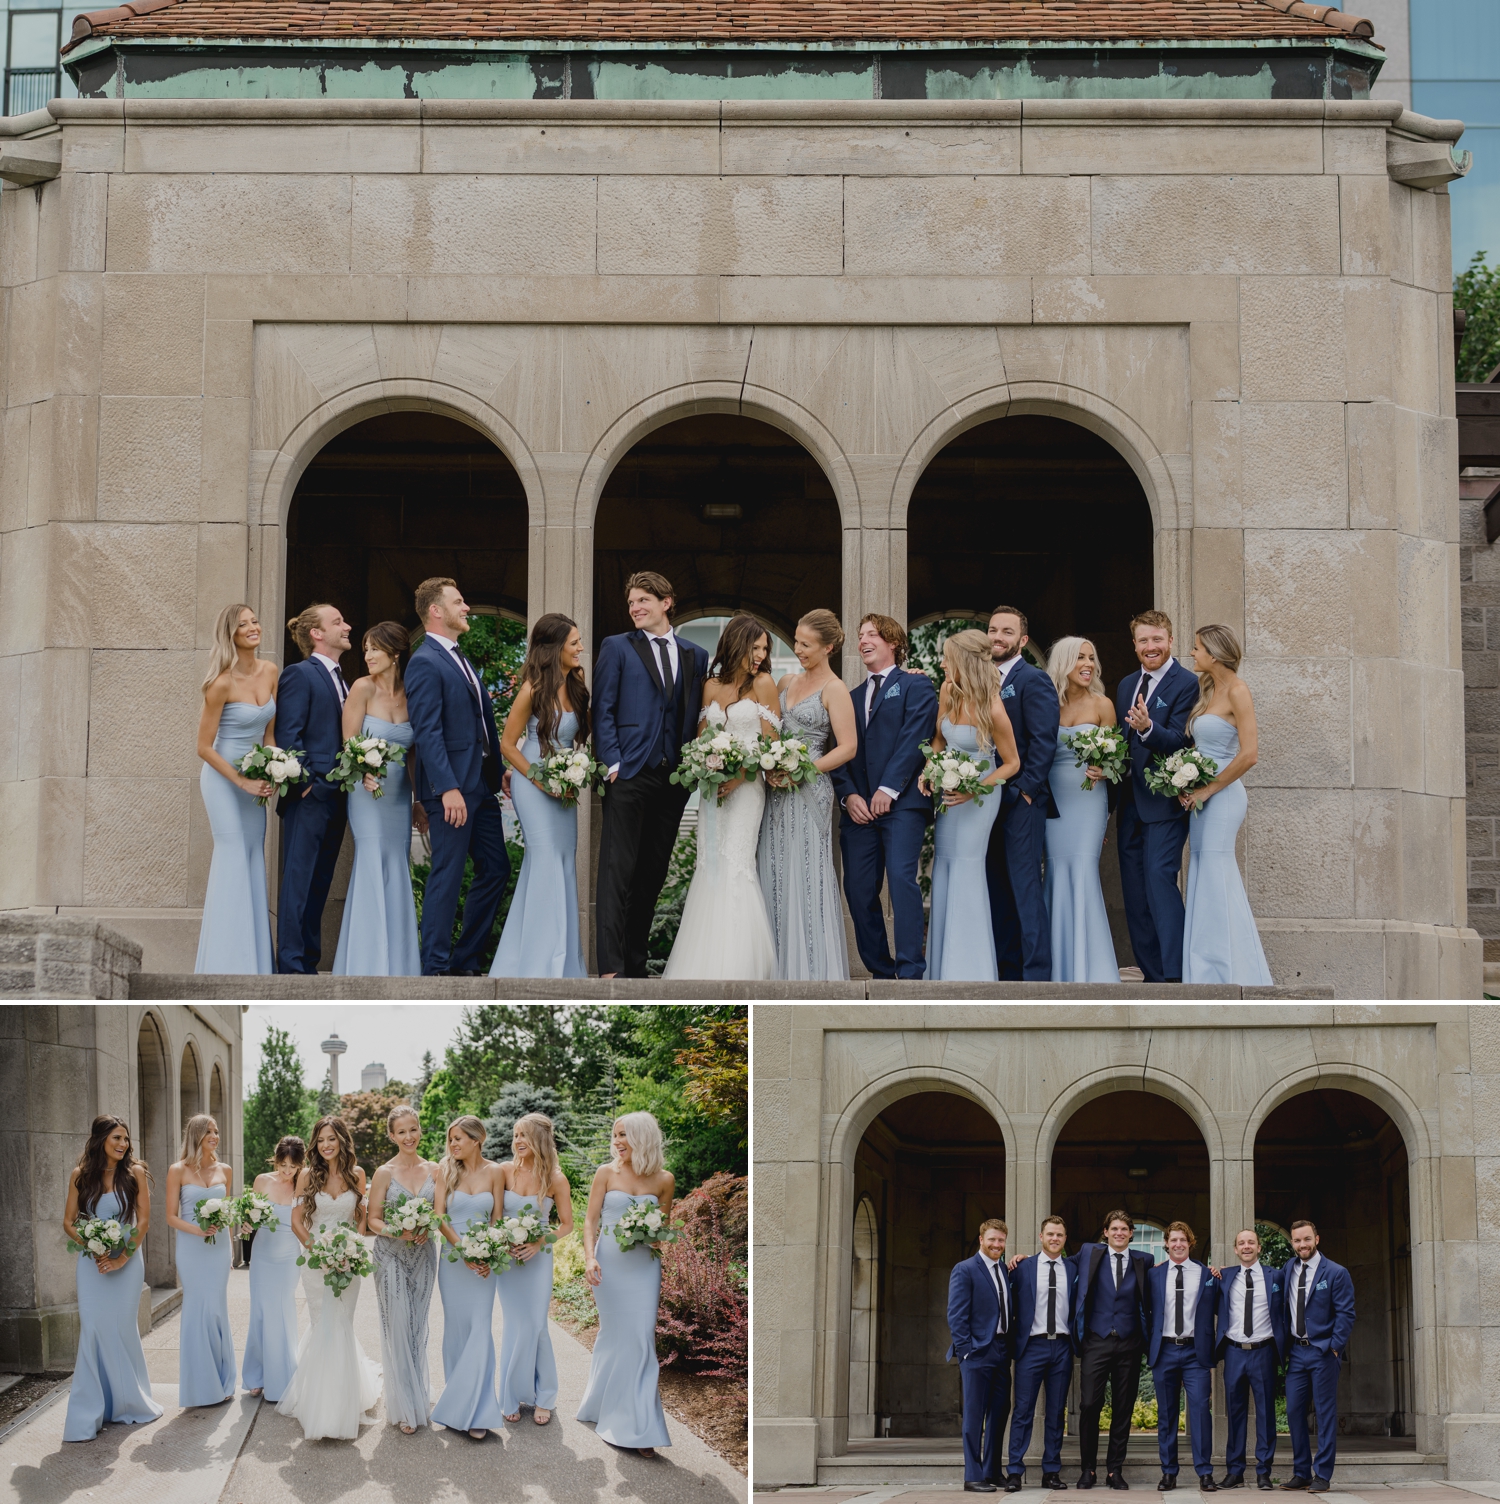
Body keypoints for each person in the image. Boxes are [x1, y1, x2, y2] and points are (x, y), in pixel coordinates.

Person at [592, 572, 710, 978]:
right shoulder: (617, 647)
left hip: (672, 779)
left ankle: (636, 966)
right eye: (631, 603)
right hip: (628, 774)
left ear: (666, 602)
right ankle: (611, 966)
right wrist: (613, 764)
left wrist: (691, 768)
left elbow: (694, 715)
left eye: (644, 600)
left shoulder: (695, 654)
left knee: (652, 872)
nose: (636, 608)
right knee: (617, 870)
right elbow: (602, 709)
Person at [664, 614, 781, 980]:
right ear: (736, 644)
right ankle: (702, 963)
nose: (760, 654)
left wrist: (741, 774)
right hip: (713, 793)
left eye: (765, 648)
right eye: (755, 647)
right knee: (710, 866)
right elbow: (700, 740)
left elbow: (771, 747)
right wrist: (709, 769)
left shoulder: (764, 684)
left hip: (747, 792)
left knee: (737, 865)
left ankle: (740, 965)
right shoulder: (710, 685)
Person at [405, 578, 510, 977]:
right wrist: (446, 788)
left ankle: (466, 960)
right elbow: (427, 731)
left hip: (480, 787)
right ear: (436, 610)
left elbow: (482, 724)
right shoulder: (424, 661)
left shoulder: (460, 659)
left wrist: (498, 772)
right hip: (451, 790)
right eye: (458, 601)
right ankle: (434, 966)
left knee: (496, 868)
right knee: (447, 874)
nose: (466, 607)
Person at [832, 614, 939, 980]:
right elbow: (838, 749)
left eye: (872, 634)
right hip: (859, 812)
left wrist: (888, 789)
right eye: (860, 635)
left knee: (902, 880)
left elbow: (915, 738)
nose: (864, 640)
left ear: (893, 642)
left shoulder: (916, 686)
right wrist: (849, 797)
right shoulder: (850, 697)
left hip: (903, 805)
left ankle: (910, 972)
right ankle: (880, 970)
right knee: (859, 891)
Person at [758, 608, 858, 982]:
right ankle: (776, 965)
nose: (797, 648)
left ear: (828, 647)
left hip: (810, 788)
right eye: (796, 641)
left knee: (806, 870)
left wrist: (803, 769)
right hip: (775, 789)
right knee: (772, 866)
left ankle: (812, 970)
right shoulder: (784, 682)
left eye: (805, 644)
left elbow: (847, 747)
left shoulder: (835, 690)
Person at [491, 613, 590, 978]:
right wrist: (537, 778)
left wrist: (575, 769)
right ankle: (539, 963)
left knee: (562, 862)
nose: (581, 648)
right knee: (546, 858)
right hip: (533, 780)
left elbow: (577, 739)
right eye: (574, 643)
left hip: (564, 784)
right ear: (554, 648)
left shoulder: (577, 684)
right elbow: (507, 743)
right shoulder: (532, 688)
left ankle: (560, 959)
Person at [923, 630, 1020, 981]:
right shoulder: (948, 691)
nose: (942, 663)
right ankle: (942, 969)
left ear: (963, 660)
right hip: (949, 797)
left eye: (947, 657)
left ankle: (970, 970)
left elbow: (1011, 764)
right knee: (945, 866)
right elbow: (938, 740)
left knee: (967, 868)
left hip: (979, 798)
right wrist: (930, 770)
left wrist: (974, 788)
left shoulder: (992, 706)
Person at [577, 1111, 676, 1456]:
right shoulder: (606, 1173)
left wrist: (649, 1233)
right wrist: (590, 1258)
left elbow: (663, 1229)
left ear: (643, 1138)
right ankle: (602, 1405)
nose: (617, 1142)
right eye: (615, 1135)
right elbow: (589, 1222)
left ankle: (639, 1426)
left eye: (624, 1135)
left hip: (644, 1266)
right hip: (609, 1265)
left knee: (640, 1338)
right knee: (614, 1333)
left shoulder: (665, 1179)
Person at [277, 1116, 381, 1440]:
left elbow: (361, 1218)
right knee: (324, 1323)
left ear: (342, 1140)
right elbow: (296, 1221)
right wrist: (319, 1253)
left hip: (349, 1262)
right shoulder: (307, 1175)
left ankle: (343, 1404)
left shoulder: (357, 1174)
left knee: (342, 1324)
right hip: (316, 1262)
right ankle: (320, 1406)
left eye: (331, 1139)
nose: (326, 1145)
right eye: (321, 1140)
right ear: (315, 1143)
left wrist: (354, 1249)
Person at [1180, 625, 1273, 986]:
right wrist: (1185, 781)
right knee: (1203, 870)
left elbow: (1249, 754)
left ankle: (1230, 971)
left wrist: (1209, 789)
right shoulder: (1208, 689)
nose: (1193, 653)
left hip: (1223, 796)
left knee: (1217, 870)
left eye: (1198, 647)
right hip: (1202, 795)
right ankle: (1205, 969)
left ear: (1215, 654)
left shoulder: (1238, 689)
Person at [61, 1116, 163, 1442]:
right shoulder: (81, 1176)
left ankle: (129, 1401)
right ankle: (89, 1412)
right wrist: (91, 1246)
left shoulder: (134, 1173)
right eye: (117, 1138)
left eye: (126, 1139)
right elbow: (68, 1222)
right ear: (101, 1139)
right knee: (92, 1329)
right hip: (91, 1264)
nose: (123, 1145)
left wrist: (120, 1258)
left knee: (121, 1328)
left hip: (127, 1262)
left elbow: (144, 1221)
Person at [333, 621, 421, 977]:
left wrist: (417, 800)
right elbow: (348, 743)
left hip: (399, 795)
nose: (366, 655)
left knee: (398, 865)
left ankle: (399, 964)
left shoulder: (412, 694)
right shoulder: (361, 688)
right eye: (365, 648)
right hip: (366, 790)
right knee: (371, 860)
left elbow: (413, 754)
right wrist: (363, 771)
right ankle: (365, 962)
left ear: (395, 653)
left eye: (374, 649)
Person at [194, 603, 278, 974]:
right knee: (231, 856)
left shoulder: (271, 671)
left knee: (251, 857)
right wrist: (241, 780)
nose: (253, 627)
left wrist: (276, 768)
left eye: (255, 621)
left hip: (256, 781)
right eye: (244, 624)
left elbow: (269, 733)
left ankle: (254, 962)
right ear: (231, 634)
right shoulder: (220, 682)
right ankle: (223, 964)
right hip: (225, 781)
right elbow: (203, 747)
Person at [1114, 611, 1198, 983]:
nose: (1151, 647)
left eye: (1157, 640)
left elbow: (1181, 739)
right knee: (1133, 892)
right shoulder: (1127, 684)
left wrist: (1148, 728)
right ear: (1134, 646)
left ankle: (1174, 975)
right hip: (1128, 802)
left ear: (1170, 640)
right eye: (1144, 641)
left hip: (1164, 801)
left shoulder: (1187, 684)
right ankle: (1151, 974)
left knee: (1159, 880)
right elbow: (1119, 743)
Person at [275, 602, 353, 975]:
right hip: (309, 797)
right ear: (316, 634)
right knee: (299, 879)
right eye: (337, 622)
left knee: (320, 881)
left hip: (338, 796)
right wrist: (309, 784)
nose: (347, 626)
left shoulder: (345, 680)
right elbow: (288, 735)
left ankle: (307, 960)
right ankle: (290, 964)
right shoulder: (299, 674)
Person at [984, 606, 1061, 982]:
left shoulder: (1034, 680)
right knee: (997, 888)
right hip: (984, 803)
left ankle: (1036, 978)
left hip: (1021, 802)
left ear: (1023, 640)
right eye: (993, 630)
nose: (998, 637)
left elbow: (1044, 742)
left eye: (1007, 631)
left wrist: (1025, 792)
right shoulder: (980, 681)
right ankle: (1007, 973)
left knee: (1026, 888)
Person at [1046, 637, 1121, 984]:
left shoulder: (1103, 705)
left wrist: (1106, 768)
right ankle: (1058, 967)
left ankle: (1092, 969)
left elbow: (1118, 759)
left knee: (1083, 869)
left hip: (1089, 799)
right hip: (1053, 800)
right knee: (1056, 873)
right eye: (1079, 658)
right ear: (1063, 664)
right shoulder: (1048, 704)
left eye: (1092, 657)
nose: (1088, 664)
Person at [431, 1115, 506, 1439]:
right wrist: (463, 1249)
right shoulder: (444, 1170)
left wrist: (487, 1252)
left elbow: (497, 1218)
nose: (453, 1144)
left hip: (483, 1265)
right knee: (457, 1329)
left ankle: (479, 1409)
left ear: (478, 1139)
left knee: (480, 1328)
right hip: (453, 1258)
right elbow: (438, 1216)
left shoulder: (496, 1172)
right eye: (451, 1139)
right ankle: (457, 1402)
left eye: (459, 1138)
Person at [497, 1113, 574, 1424]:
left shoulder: (556, 1179)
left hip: (538, 1260)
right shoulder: (503, 1171)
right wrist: (502, 1242)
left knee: (537, 1325)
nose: (517, 1141)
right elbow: (495, 1217)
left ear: (540, 1140)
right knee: (515, 1325)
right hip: (508, 1261)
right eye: (516, 1135)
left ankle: (545, 1396)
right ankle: (510, 1394)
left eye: (524, 1135)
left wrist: (539, 1242)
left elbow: (567, 1225)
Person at [366, 1107, 439, 1434]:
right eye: (402, 1131)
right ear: (392, 1136)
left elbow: (441, 1214)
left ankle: (417, 1396)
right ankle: (405, 1408)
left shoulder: (436, 1169)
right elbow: (373, 1220)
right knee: (396, 1324)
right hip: (389, 1255)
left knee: (415, 1326)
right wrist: (400, 1231)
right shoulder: (384, 1172)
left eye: (414, 1129)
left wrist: (428, 1227)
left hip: (423, 1255)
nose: (409, 1136)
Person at [1072, 1211, 1154, 1490]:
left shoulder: (1145, 1260)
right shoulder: (1088, 1253)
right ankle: (1088, 1469)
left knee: (1123, 1408)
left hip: (1130, 1344)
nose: (1119, 1233)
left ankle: (1114, 1470)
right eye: (1114, 1228)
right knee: (1089, 1405)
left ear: (1131, 1233)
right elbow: (1057, 1264)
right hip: (1097, 1340)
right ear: (1105, 1232)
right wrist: (1023, 1260)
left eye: (1125, 1229)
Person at [165, 1114, 236, 1408]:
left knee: (217, 1309)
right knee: (197, 1309)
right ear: (196, 1135)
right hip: (191, 1248)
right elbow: (170, 1216)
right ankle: (200, 1386)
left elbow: (228, 1212)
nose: (215, 1136)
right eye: (209, 1131)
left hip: (218, 1247)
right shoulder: (177, 1170)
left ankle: (224, 1381)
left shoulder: (226, 1170)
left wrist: (231, 1246)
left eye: (217, 1131)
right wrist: (197, 1229)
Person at [1281, 1220, 1355, 1493]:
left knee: (1324, 1414)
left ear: (1317, 1239)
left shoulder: (1336, 1272)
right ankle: (1301, 1473)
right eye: (1297, 1241)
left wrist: (1334, 1347)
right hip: (1296, 1353)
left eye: (1307, 1239)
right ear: (1292, 1242)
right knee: (1293, 1412)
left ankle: (1322, 1475)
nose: (1302, 1245)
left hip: (1323, 1352)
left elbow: (1346, 1314)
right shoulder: (1289, 1268)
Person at [1146, 1221, 1220, 1493]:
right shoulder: (1154, 1274)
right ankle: (1168, 1473)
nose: (1178, 1244)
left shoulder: (1206, 1274)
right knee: (1166, 1415)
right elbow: (1145, 1310)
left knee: (1201, 1411)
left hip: (1195, 1352)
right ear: (1166, 1243)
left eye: (1183, 1240)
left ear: (1190, 1243)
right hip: (1164, 1350)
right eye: (1173, 1240)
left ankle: (1205, 1473)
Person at [1004, 1214, 1076, 1491]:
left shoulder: (1073, 1268)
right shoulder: (1022, 1267)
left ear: (1065, 1239)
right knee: (1022, 1410)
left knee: (1057, 1413)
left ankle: (1051, 1471)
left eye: (1059, 1234)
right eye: (1050, 1234)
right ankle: (1014, 1471)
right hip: (1030, 1347)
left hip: (1062, 1346)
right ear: (1041, 1237)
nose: (1055, 1239)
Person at [1216, 1227, 1289, 1490]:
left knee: (1266, 1413)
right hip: (1234, 1352)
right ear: (1235, 1249)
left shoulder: (1276, 1275)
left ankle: (1263, 1472)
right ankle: (1234, 1472)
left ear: (1259, 1248)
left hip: (1264, 1351)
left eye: (1251, 1242)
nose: (1246, 1246)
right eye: (1241, 1243)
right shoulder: (1225, 1276)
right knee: (1235, 1414)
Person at [946, 1218, 1014, 1492]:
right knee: (974, 1415)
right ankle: (972, 1476)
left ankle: (992, 1471)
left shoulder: (1004, 1271)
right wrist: (966, 1352)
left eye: (1001, 1240)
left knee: (999, 1411)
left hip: (1001, 1350)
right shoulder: (965, 1269)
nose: (997, 1244)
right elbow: (956, 1315)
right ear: (981, 1239)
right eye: (992, 1239)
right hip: (976, 1352)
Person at [240, 1134, 304, 1403]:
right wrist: (245, 1226)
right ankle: (256, 1376)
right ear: (275, 1159)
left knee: (282, 1309)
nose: (287, 1172)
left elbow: (307, 1220)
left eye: (293, 1166)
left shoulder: (305, 1183)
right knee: (260, 1312)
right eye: (282, 1165)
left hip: (289, 1252)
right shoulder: (262, 1180)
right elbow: (249, 1218)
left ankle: (283, 1377)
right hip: (263, 1252)